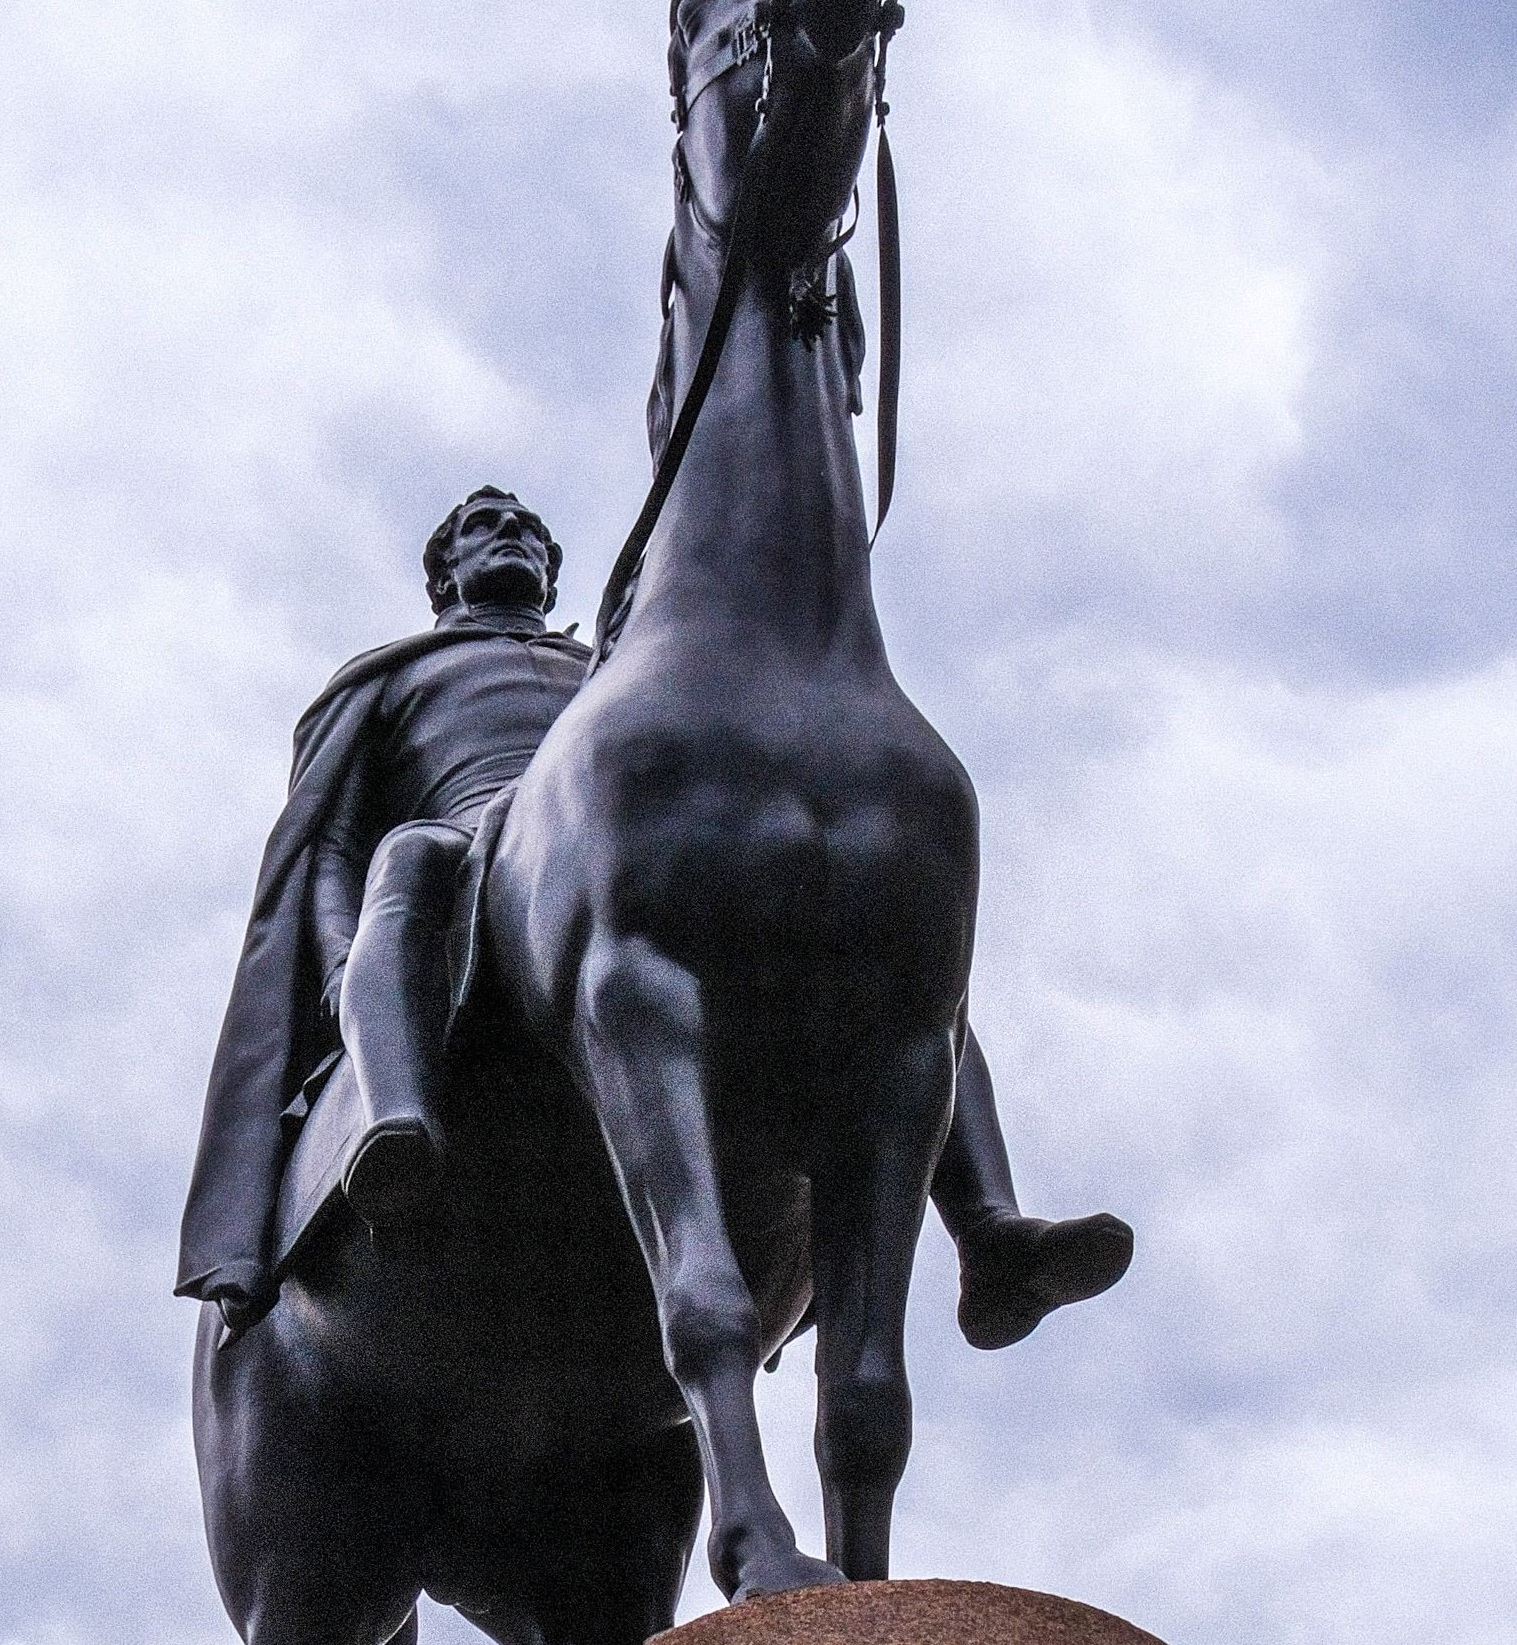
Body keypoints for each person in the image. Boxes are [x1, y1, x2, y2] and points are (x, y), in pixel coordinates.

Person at [178, 485, 1130, 1345]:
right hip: (467, 851)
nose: (510, 536)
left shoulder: (605, 669)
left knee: (889, 956)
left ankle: (989, 1234)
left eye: (528, 531)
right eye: (485, 528)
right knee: (404, 853)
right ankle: (395, 1117)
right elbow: (331, 842)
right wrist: (340, 956)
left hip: (607, 848)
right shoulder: (391, 676)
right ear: (445, 573)